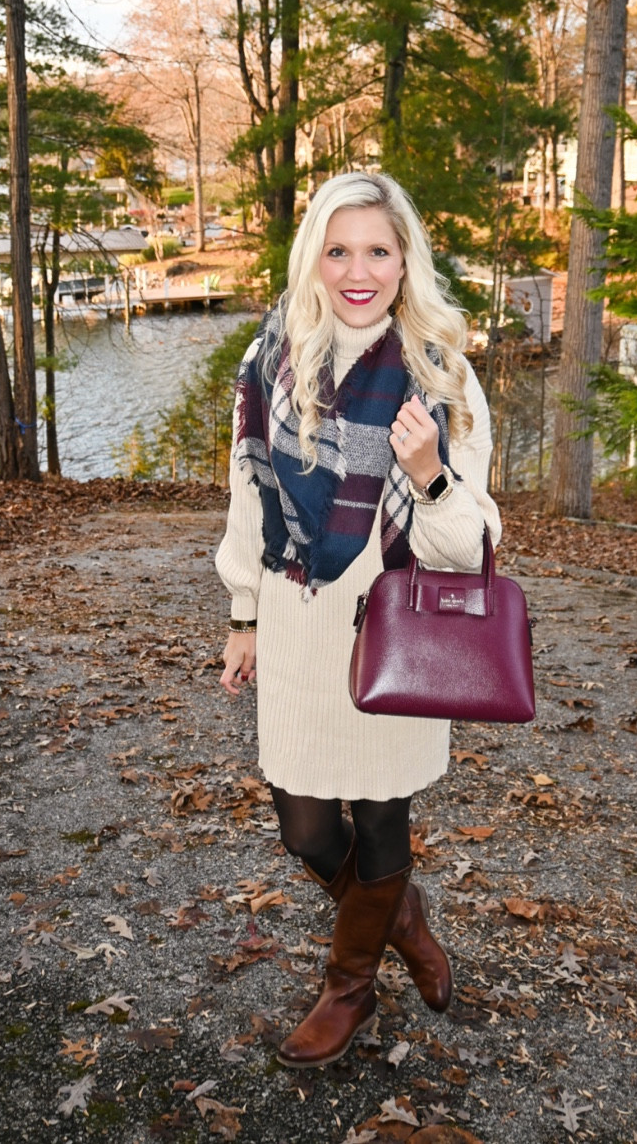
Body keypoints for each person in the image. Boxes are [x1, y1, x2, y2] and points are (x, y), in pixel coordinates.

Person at [215, 171, 501, 1069]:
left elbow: (470, 544)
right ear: (313, 258)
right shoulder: (272, 359)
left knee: (380, 822)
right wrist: (243, 612)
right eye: (338, 251)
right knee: (303, 828)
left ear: (405, 259)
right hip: (298, 620)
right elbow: (248, 497)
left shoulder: (441, 374)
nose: (357, 271)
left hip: (395, 628)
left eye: (378, 250)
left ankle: (349, 987)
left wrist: (430, 475)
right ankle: (400, 919)